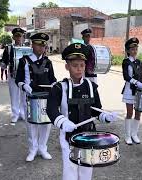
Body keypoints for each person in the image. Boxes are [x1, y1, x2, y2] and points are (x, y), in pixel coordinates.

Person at [46, 43, 118, 180]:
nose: (79, 69)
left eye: (82, 65)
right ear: (67, 66)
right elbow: (51, 109)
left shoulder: (91, 86)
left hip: (88, 136)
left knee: (86, 171)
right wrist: (62, 122)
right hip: (68, 137)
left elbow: (96, 110)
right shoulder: (59, 88)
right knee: (70, 170)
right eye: (75, 65)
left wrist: (105, 116)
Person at [15, 32, 57, 162]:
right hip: (30, 97)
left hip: (46, 97)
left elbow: (52, 79)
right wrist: (24, 86)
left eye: (43, 46)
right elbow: (18, 80)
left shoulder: (48, 62)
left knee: (46, 124)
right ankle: (33, 149)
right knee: (31, 124)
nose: (41, 48)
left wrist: (55, 85)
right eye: (38, 45)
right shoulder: (24, 61)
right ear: (32, 45)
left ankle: (43, 148)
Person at [122, 37, 142, 145]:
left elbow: (141, 77)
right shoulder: (126, 62)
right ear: (128, 50)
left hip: (138, 91)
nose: (134, 51)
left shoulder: (140, 62)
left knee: (138, 114)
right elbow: (126, 77)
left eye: (136, 48)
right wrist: (136, 82)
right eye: (132, 49)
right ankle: (128, 135)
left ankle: (134, 134)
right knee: (129, 113)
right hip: (129, 90)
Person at [1, 28, 27, 123]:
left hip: (25, 76)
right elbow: (4, 61)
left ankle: (23, 113)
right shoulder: (8, 48)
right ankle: (15, 114)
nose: (18, 38)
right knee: (14, 95)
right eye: (16, 36)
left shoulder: (26, 48)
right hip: (13, 75)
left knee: (24, 95)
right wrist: (3, 67)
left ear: (22, 37)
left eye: (20, 36)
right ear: (13, 37)